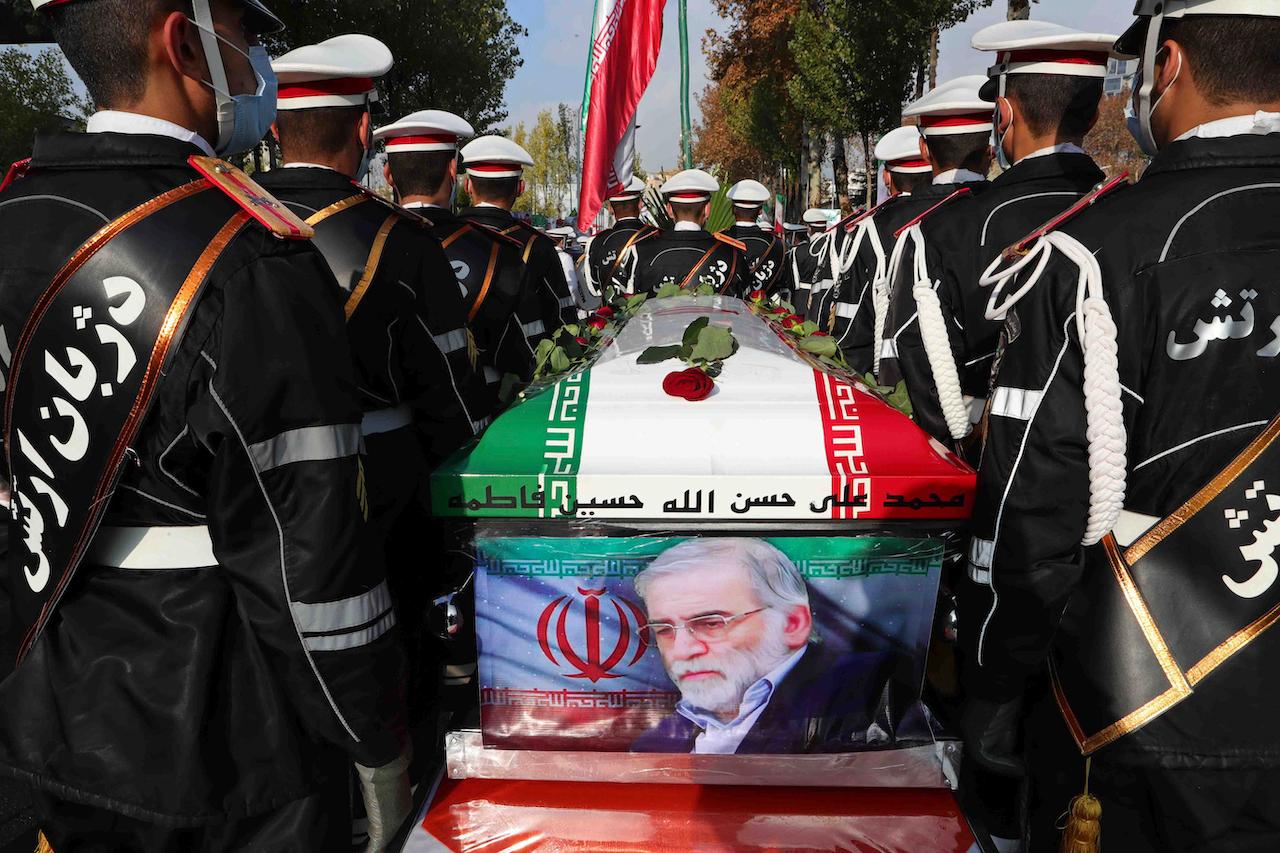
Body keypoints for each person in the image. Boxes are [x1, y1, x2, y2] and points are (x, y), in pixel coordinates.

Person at [0, 1, 411, 850]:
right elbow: (312, 562)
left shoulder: (14, 213)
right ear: (185, 42)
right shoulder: (253, 256)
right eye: (245, 35)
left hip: (44, 722)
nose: (259, 60)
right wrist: (375, 739)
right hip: (227, 756)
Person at [958, 2, 1280, 849]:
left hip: (1152, 734)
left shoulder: (1088, 255)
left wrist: (994, 691)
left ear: (1167, 65)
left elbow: (1035, 520)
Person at [884, 22, 1114, 450]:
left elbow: (919, 368)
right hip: (1113, 466)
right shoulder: (1129, 208)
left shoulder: (946, 230)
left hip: (987, 457)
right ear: (1095, 117)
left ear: (1003, 115)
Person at [630, 538, 891, 755]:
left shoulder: (876, 692)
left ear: (792, 623)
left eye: (711, 623)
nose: (681, 651)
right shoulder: (653, 745)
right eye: (663, 630)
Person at [375, 109, 535, 391]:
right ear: (453, 170)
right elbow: (519, 354)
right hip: (483, 401)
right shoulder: (498, 251)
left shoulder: (366, 239)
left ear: (388, 174)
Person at [877, 76, 994, 392]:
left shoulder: (894, 229)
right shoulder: (1015, 212)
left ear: (924, 150)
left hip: (936, 405)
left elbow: (899, 342)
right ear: (989, 151)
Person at [825, 125, 933, 374]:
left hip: (892, 374)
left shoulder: (869, 229)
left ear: (887, 177)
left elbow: (851, 324)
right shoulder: (967, 212)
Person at [457, 135, 576, 340]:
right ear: (520, 188)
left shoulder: (441, 236)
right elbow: (564, 324)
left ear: (467, 185)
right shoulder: (537, 246)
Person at [619, 169, 749, 297]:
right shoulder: (732, 254)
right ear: (707, 209)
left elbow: (629, 303)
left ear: (670, 210)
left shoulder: (640, 252)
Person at [581, 175, 657, 303]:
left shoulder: (596, 242)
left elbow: (594, 289)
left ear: (610, 208)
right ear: (640, 204)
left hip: (609, 313)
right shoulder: (655, 236)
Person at [725, 179, 787, 297]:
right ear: (760, 211)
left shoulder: (720, 240)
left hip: (726, 308)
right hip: (763, 308)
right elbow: (782, 283)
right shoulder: (776, 244)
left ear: (733, 210)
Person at [785, 207, 842, 320]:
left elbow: (794, 284)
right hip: (828, 299)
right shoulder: (836, 249)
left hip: (802, 302)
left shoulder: (797, 251)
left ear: (809, 228)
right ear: (825, 227)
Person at [546, 225, 585, 313]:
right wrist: (573, 305)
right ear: (562, 241)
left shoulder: (545, 255)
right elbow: (573, 287)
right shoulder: (565, 257)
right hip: (563, 305)